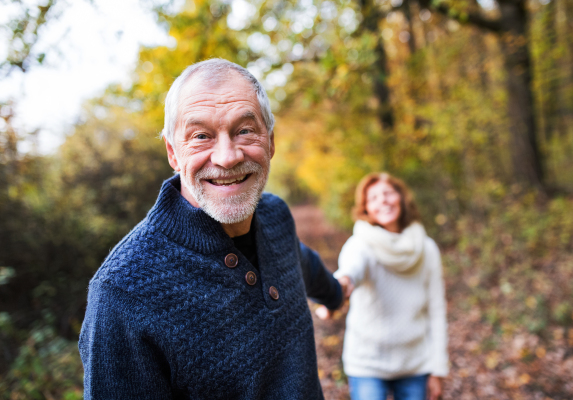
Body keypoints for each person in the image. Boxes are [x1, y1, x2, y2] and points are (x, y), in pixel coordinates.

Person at [78, 59, 345, 399]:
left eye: (244, 130)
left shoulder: (275, 214)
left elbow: (301, 262)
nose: (228, 156)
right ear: (174, 153)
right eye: (201, 136)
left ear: (271, 141)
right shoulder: (122, 295)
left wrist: (336, 293)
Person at [316, 172, 448, 400]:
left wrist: (437, 370)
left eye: (388, 193)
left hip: (415, 364)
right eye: (373, 198)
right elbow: (349, 272)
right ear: (366, 209)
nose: (383, 201)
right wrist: (335, 294)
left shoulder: (426, 248)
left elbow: (437, 311)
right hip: (367, 364)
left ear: (401, 197)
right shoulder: (361, 244)